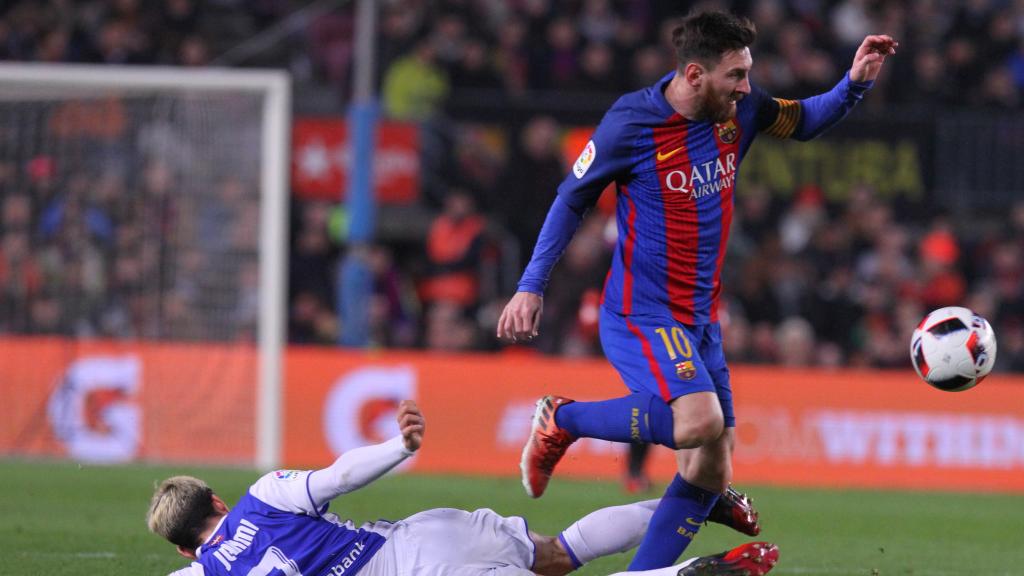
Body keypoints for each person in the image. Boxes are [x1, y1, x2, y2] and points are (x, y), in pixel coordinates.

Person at [497, 10, 896, 571]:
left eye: (748, 73)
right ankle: (563, 418)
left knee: (711, 471)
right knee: (698, 423)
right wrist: (530, 285)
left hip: (701, 321)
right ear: (693, 75)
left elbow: (804, 119)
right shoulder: (630, 123)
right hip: (641, 312)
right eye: (735, 75)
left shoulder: (743, 112)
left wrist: (854, 83)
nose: (747, 87)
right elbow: (572, 198)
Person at [147, 400, 780, 576]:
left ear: (182, 550)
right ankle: (693, 499)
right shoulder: (262, 496)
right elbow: (338, 476)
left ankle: (693, 571)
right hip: (428, 534)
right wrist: (400, 447)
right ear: (219, 503)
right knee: (557, 554)